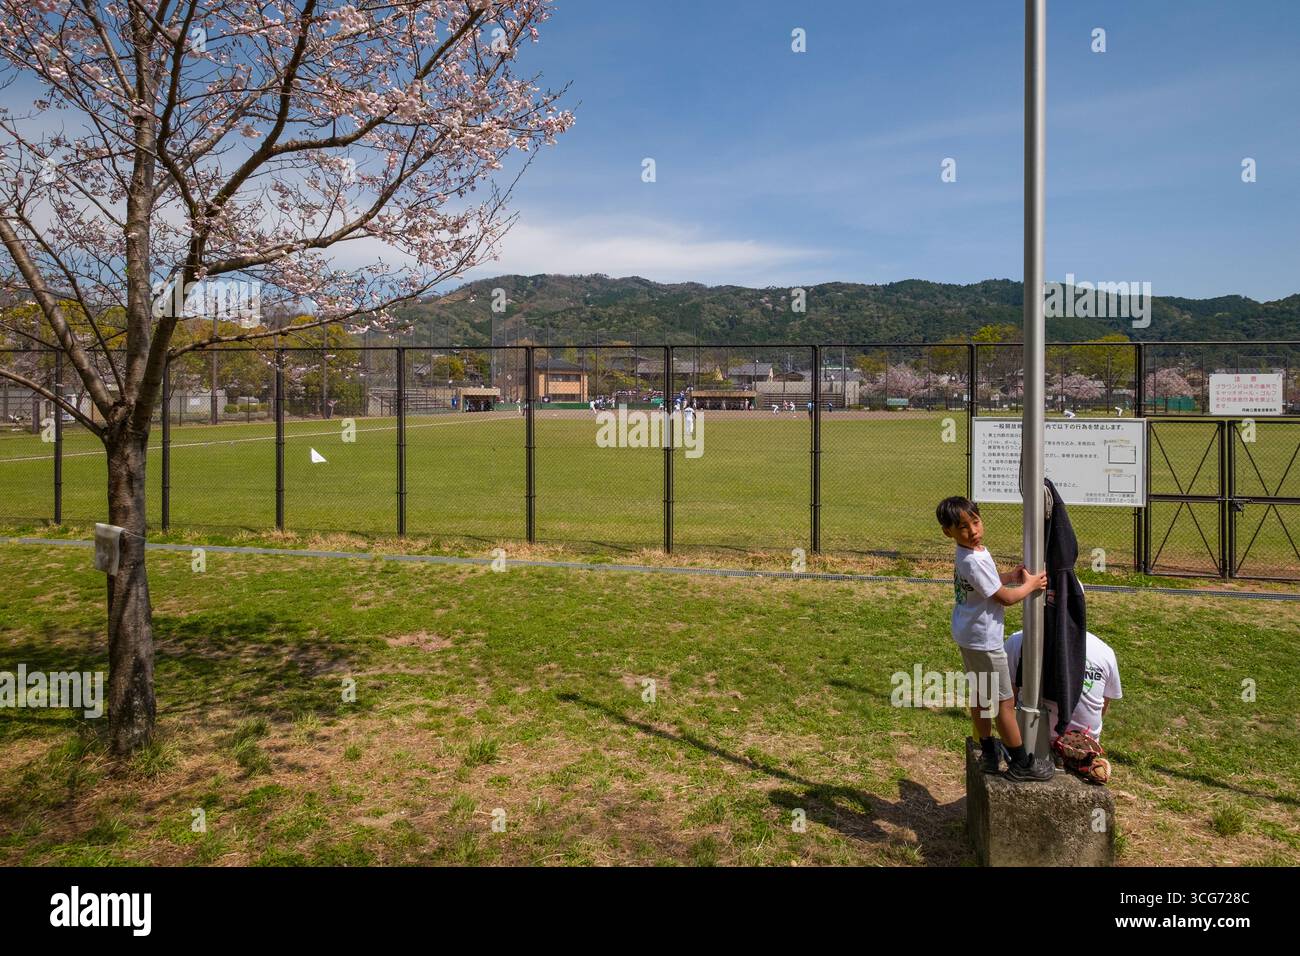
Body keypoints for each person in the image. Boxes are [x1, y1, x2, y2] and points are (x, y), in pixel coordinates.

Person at [935, 495, 1054, 782]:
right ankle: (1022, 762)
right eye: (963, 527)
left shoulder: (971, 554)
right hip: (985, 642)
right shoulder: (972, 560)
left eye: (975, 522)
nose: (973, 531)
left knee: (980, 693)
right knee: (1005, 702)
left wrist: (1008, 575)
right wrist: (1029, 585)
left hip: (969, 636)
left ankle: (988, 751)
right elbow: (1005, 599)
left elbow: (985, 583)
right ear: (948, 532)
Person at [1004, 627, 1122, 742]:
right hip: (1078, 747)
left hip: (1076, 751)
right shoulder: (1103, 650)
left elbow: (1006, 703)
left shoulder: (1017, 641)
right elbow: (1102, 708)